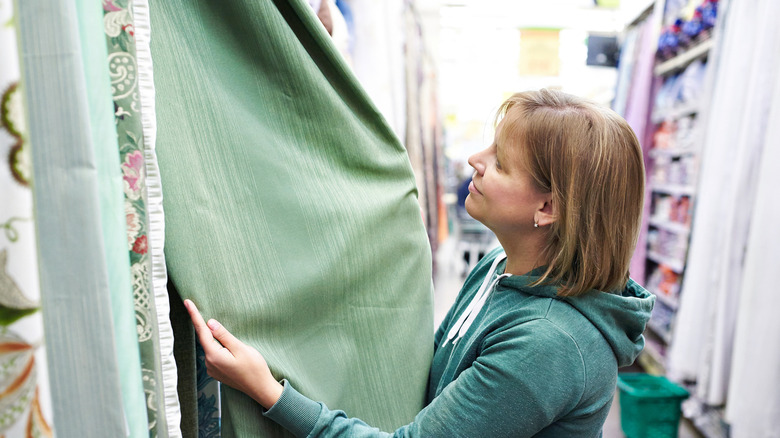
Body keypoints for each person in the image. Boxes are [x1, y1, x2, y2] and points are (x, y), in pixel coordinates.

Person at [185, 89, 655, 437]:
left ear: (547, 208)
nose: (475, 160)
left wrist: (269, 392)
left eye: (501, 162)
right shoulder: (499, 267)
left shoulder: (548, 344)